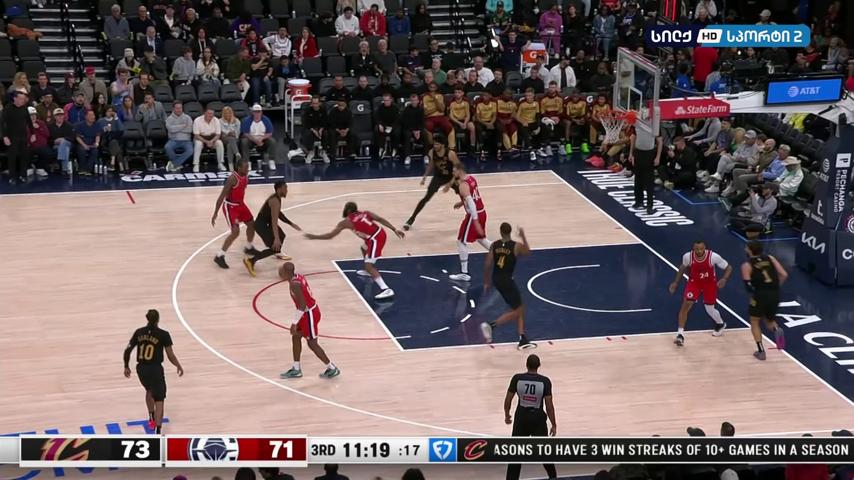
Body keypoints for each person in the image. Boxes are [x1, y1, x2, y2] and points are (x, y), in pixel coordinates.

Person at [304, 202, 405, 300]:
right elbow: (380, 219)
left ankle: (386, 289)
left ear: (347, 210)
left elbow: (330, 236)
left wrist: (314, 237)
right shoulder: (366, 213)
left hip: (375, 239)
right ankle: (367, 271)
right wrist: (394, 229)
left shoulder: (346, 222)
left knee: (369, 266)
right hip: (379, 233)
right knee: (363, 248)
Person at [122, 309, 184, 435]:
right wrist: (178, 365)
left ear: (147, 318)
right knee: (159, 399)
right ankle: (158, 429)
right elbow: (170, 355)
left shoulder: (139, 332)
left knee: (149, 390)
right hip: (155, 368)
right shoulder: (163, 334)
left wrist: (126, 366)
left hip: (141, 369)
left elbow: (127, 350)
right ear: (158, 319)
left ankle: (151, 416)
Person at [277, 262, 340, 379]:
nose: (279, 273)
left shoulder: (294, 285)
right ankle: (296, 369)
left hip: (309, 314)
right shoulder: (297, 277)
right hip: (306, 313)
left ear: (286, 273)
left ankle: (332, 368)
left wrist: (294, 323)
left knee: (312, 343)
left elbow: (302, 305)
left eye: (281, 271)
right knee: (296, 336)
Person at [668, 240, 732, 347]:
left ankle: (720, 323)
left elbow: (728, 267)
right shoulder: (688, 257)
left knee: (709, 309)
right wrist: (675, 282)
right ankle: (680, 334)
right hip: (694, 283)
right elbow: (683, 268)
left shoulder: (713, 257)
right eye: (696, 249)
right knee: (686, 305)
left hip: (709, 284)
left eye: (701, 249)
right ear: (693, 249)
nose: (698, 251)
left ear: (705, 248)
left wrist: (724, 279)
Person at [481, 222, 535, 349]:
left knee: (518, 306)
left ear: (500, 232)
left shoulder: (494, 245)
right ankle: (491, 325)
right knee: (519, 310)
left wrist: (486, 281)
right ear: (510, 232)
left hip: (496, 279)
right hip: (507, 280)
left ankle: (522, 338)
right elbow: (528, 252)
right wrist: (523, 236)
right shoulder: (516, 246)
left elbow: (487, 264)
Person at [504, 354, 557, 480]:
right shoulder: (545, 381)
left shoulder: (517, 378)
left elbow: (508, 399)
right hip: (537, 419)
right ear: (539, 366)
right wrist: (553, 424)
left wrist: (507, 414)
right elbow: (549, 406)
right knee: (544, 452)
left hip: (521, 417)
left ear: (526, 365)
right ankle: (553, 477)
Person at [243, 182, 302, 275]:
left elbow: (279, 214)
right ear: (279, 189)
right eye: (285, 188)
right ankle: (250, 261)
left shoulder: (276, 198)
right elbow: (274, 222)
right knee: (275, 246)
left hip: (266, 223)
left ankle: (276, 252)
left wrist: (291, 223)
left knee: (282, 236)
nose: (287, 190)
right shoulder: (275, 201)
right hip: (262, 226)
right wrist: (276, 239)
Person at [742, 241, 787, 360]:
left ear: (749, 250)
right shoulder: (770, 258)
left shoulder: (747, 265)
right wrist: (775, 287)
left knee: (754, 321)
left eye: (746, 248)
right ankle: (776, 329)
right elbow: (783, 274)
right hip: (775, 294)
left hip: (760, 295)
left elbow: (748, 287)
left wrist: (756, 295)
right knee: (769, 320)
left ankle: (761, 351)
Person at [404, 135, 460, 230]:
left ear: (443, 145)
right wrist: (425, 176)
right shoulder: (431, 152)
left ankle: (472, 215)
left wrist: (450, 183)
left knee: (464, 195)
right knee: (426, 198)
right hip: (439, 176)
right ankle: (411, 218)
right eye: (434, 144)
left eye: (437, 144)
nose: (435, 146)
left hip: (451, 176)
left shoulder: (451, 154)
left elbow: (458, 168)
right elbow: (431, 164)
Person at [211, 158, 260, 269]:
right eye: (245, 168)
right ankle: (220, 256)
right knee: (235, 232)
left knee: (252, 225)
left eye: (248, 167)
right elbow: (221, 196)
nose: (247, 169)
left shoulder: (245, 176)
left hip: (241, 204)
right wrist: (215, 213)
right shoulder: (232, 179)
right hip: (231, 207)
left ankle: (249, 247)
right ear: (239, 168)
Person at [450, 162, 491, 281]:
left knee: (461, 241)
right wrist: (461, 203)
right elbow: (472, 197)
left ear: (460, 170)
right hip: (482, 212)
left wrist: (474, 220)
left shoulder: (463, 185)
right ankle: (502, 254)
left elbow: (471, 203)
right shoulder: (471, 179)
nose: (453, 172)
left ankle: (464, 273)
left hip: (474, 215)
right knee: (481, 238)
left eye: (454, 170)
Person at [628, 126, 662, 215]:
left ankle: (649, 206)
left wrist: (658, 157)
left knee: (649, 182)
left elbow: (660, 141)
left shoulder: (655, 124)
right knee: (637, 179)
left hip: (649, 154)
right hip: (638, 152)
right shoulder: (637, 123)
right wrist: (631, 153)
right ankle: (638, 201)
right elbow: (633, 138)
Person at [2, 91, 34, 184]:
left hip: (23, 136)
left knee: (24, 156)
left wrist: (33, 134)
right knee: (12, 157)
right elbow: (2, 123)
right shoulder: (8, 109)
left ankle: (23, 175)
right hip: (12, 136)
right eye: (21, 98)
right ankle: (12, 176)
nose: (23, 100)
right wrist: (5, 136)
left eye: (24, 99)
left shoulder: (24, 108)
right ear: (15, 98)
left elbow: (29, 121)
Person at [240, 104, 278, 170]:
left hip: (263, 138)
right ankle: (247, 162)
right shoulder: (247, 120)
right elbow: (245, 133)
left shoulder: (266, 120)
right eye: (255, 112)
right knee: (244, 141)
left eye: (258, 112)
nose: (257, 114)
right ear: (252, 112)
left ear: (261, 112)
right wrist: (255, 140)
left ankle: (271, 161)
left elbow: (269, 133)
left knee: (272, 141)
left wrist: (261, 138)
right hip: (251, 139)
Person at [164, 101, 194, 172]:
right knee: (167, 147)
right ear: (173, 109)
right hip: (173, 140)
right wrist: (183, 126)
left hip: (186, 140)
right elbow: (171, 130)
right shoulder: (169, 119)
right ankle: (177, 164)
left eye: (180, 108)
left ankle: (174, 163)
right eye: (177, 108)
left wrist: (176, 128)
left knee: (190, 151)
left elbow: (190, 129)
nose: (179, 110)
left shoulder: (187, 118)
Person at [400, 93, 427, 166]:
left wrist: (418, 130)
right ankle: (407, 156)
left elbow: (422, 122)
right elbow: (405, 122)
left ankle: (426, 155)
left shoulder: (421, 109)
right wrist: (414, 131)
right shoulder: (406, 110)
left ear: (418, 101)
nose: (414, 102)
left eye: (415, 100)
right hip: (409, 128)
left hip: (418, 128)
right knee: (407, 135)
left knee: (425, 134)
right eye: (412, 100)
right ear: (410, 101)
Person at [49, 108, 76, 175]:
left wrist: (63, 139)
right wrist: (54, 141)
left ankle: (59, 160)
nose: (60, 117)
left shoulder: (69, 125)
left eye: (61, 115)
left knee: (64, 142)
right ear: (54, 117)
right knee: (65, 149)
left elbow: (72, 138)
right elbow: (48, 139)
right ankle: (64, 169)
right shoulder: (50, 126)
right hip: (56, 145)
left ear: (64, 116)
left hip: (68, 144)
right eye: (58, 115)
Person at [27, 106, 51, 178]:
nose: (33, 117)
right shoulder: (23, 124)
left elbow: (47, 134)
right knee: (24, 151)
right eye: (31, 115)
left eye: (34, 115)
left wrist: (39, 128)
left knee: (47, 152)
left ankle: (40, 168)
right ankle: (29, 168)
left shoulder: (41, 123)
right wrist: (29, 140)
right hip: (29, 145)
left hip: (41, 145)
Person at [75, 110, 101, 176]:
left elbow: (98, 135)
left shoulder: (97, 125)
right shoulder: (80, 125)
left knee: (95, 151)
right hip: (82, 143)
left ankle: (88, 169)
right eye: (91, 115)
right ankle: (82, 168)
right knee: (81, 150)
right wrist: (84, 145)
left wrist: (97, 143)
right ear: (86, 117)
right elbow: (77, 137)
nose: (93, 117)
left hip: (92, 144)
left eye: (93, 115)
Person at [219, 106, 241, 170]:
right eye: (226, 113)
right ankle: (236, 153)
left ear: (232, 113)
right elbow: (221, 130)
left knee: (229, 145)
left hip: (235, 138)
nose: (227, 114)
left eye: (229, 113)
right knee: (231, 139)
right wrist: (228, 133)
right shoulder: (220, 121)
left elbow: (238, 131)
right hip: (224, 138)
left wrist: (234, 133)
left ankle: (230, 165)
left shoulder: (237, 121)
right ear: (223, 113)